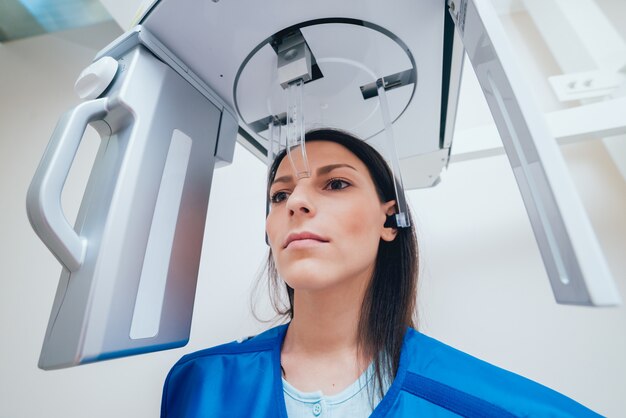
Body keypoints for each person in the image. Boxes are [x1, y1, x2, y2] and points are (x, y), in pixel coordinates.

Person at [161, 129, 599, 417]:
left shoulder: (463, 393)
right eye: (280, 195)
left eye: (335, 184)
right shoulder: (199, 384)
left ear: (390, 221)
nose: (295, 202)